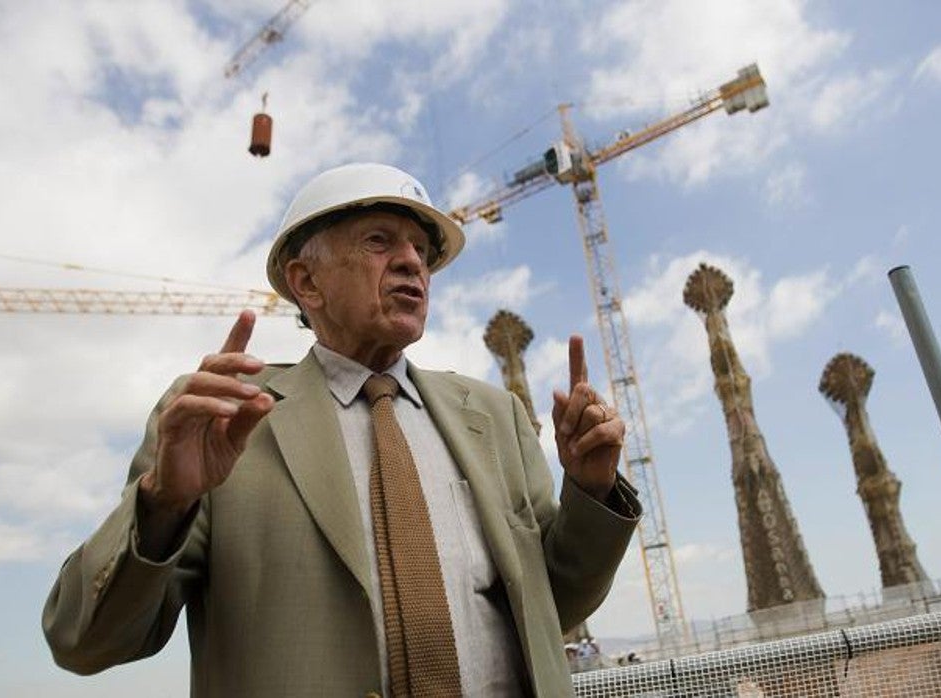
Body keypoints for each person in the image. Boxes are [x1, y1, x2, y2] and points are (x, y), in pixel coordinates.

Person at [42, 162, 642, 697]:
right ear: (307, 283)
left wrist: (591, 494)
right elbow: (86, 642)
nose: (412, 262)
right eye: (380, 241)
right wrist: (165, 500)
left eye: (420, 251)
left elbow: (552, 606)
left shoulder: (494, 415)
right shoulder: (219, 419)